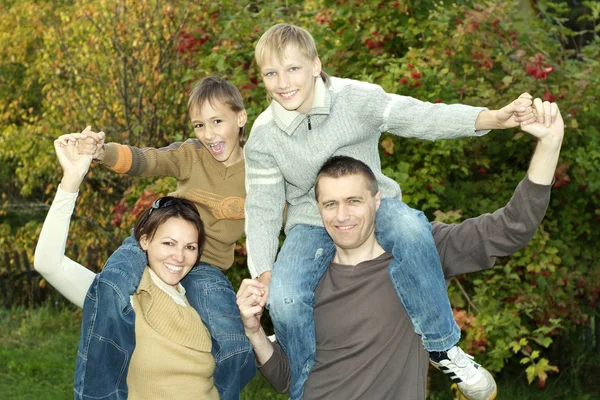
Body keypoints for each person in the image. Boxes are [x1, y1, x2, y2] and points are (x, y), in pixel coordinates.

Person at [244, 23, 541, 400]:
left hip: (374, 205)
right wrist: (264, 273)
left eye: (292, 69)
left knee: (412, 230)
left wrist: (491, 118)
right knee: (284, 298)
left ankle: (442, 346)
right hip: (310, 221)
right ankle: (302, 383)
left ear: (315, 66)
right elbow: (262, 208)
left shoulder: (355, 99)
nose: (282, 82)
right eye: (271, 73)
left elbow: (420, 117)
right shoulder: (265, 135)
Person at [78, 76, 254, 399]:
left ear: (240, 117)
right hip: (154, 242)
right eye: (199, 125)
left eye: (217, 121)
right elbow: (149, 159)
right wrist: (103, 152)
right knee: (111, 288)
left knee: (235, 349)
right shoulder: (192, 154)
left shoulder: (259, 171)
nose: (208, 134)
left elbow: (285, 214)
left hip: (207, 265)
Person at [34, 134, 219, 399]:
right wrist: (71, 180)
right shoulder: (124, 296)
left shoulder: (202, 299)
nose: (179, 256)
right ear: (144, 240)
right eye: (168, 243)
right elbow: (48, 263)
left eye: (189, 247)